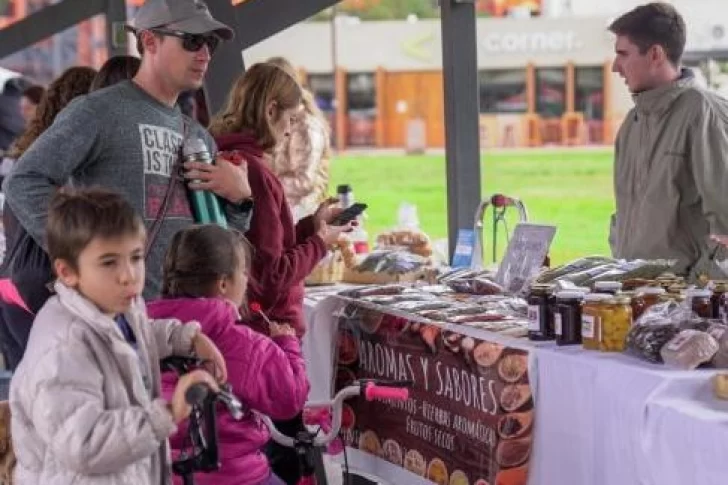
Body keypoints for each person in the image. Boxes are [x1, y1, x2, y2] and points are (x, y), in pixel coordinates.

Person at [3, 0, 253, 300]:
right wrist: (83, 254)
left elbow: (221, 240)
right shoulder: (98, 111)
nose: (204, 54)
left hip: (187, 318)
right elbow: (24, 180)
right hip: (120, 314)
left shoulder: (198, 136)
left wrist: (240, 199)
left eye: (210, 43)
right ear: (149, 41)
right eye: (192, 40)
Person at [9, 187, 226, 485]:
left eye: (136, 257)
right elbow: (84, 444)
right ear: (67, 272)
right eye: (109, 262)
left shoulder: (116, 306)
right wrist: (167, 413)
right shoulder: (63, 346)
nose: (129, 275)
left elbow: (132, 338)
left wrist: (184, 338)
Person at [208, 62, 351, 485]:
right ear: (270, 111)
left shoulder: (227, 156)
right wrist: (321, 242)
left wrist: (310, 226)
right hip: (268, 334)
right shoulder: (256, 172)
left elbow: (265, 244)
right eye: (289, 120)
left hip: (247, 327)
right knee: (281, 451)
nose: (290, 132)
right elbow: (271, 274)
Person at [147, 224, 309, 485]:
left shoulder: (142, 330)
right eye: (244, 272)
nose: (247, 280)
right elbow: (290, 400)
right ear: (223, 283)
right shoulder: (245, 344)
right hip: (235, 476)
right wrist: (288, 343)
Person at [608, 2, 728, 280]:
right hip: (635, 298)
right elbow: (625, 216)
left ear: (655, 54)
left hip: (686, 306)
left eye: (623, 54)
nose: (615, 67)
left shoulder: (703, 113)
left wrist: (693, 289)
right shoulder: (632, 124)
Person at [0, 66, 97, 371]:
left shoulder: (26, 152)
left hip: (10, 284)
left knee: (24, 396)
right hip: (41, 289)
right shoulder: (75, 161)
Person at [266, 57, 331, 221]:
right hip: (281, 210)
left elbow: (305, 182)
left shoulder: (306, 126)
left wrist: (262, 185)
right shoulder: (278, 119)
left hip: (301, 217)